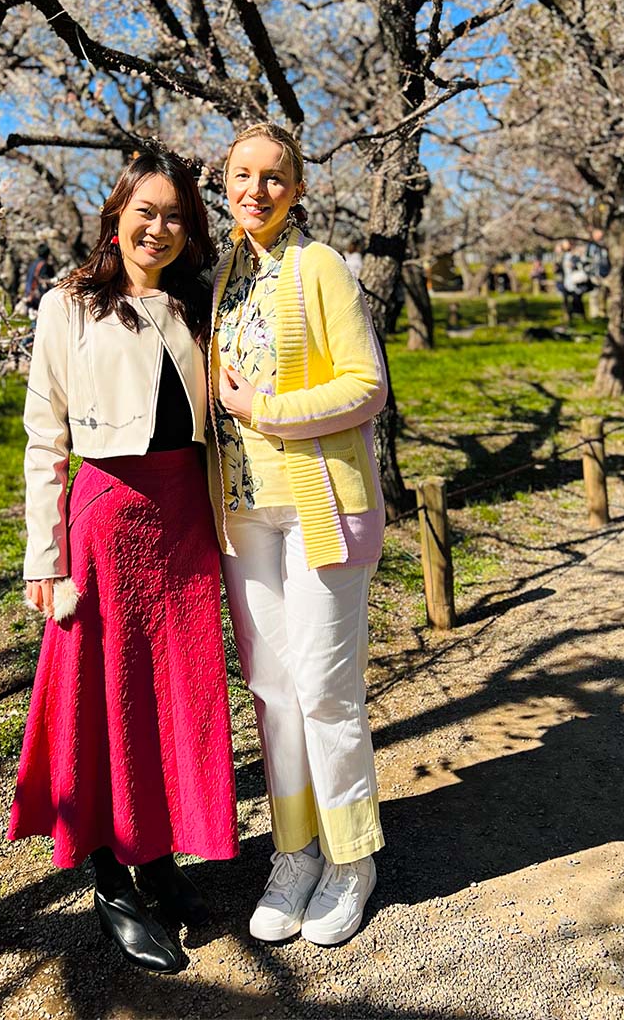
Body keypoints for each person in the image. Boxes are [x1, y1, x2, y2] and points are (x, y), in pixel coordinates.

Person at [9, 150, 239, 974]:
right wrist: (46, 558)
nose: (160, 228)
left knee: (173, 695)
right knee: (102, 696)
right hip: (107, 520)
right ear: (117, 213)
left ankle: (159, 857)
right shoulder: (69, 304)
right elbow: (46, 437)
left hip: (185, 521)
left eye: (177, 215)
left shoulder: (197, 303)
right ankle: (110, 877)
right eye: (146, 210)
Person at [207, 122, 387, 947]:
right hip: (245, 514)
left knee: (324, 688)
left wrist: (266, 411)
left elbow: (367, 387)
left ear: (299, 187)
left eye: (274, 177)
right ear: (225, 182)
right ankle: (296, 850)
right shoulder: (223, 278)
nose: (256, 190)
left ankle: (353, 857)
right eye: (242, 175)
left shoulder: (318, 266)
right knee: (274, 694)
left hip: (322, 507)